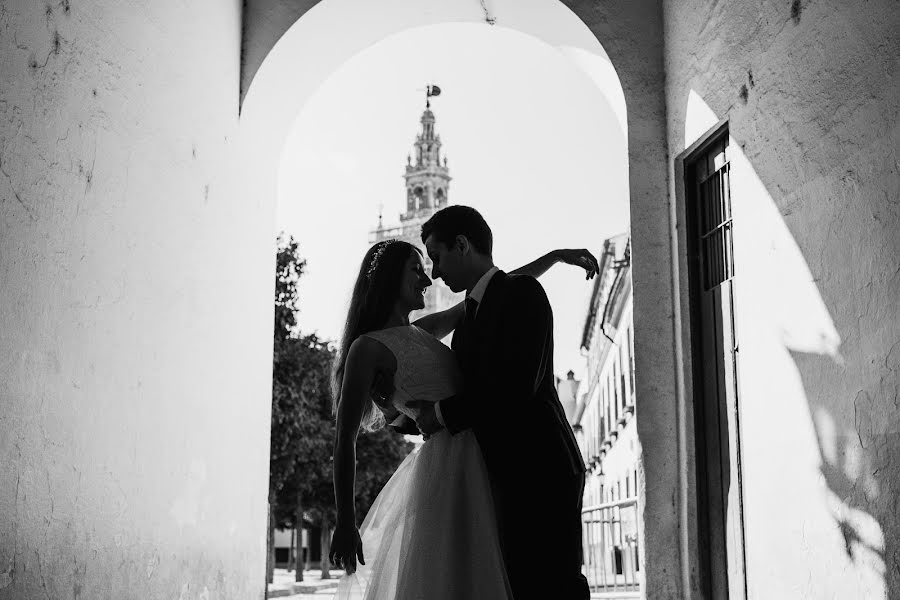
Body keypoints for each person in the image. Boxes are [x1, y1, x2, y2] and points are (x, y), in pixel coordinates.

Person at [330, 234, 597, 600]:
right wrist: (345, 520)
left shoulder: (421, 331)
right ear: (390, 278)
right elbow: (345, 438)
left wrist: (553, 258)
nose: (428, 279)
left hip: (488, 457)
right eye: (417, 270)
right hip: (449, 469)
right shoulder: (366, 349)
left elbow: (493, 291)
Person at [414, 205, 592, 600]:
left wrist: (439, 414)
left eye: (437, 257)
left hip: (541, 468)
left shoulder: (522, 293)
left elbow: (514, 386)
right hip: (503, 474)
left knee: (551, 585)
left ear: (462, 245)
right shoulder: (471, 315)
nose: (435, 272)